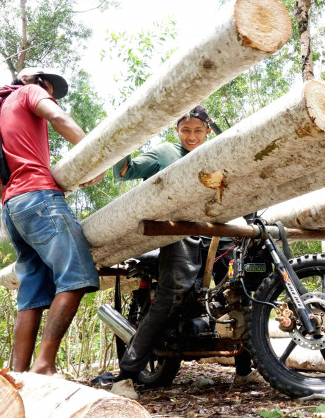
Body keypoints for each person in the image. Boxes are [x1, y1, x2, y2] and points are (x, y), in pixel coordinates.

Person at [107, 105, 263, 392]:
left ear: (206, 131)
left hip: (216, 233)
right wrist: (126, 139)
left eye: (198, 130)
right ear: (177, 130)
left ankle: (244, 370)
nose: (192, 136)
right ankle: (127, 374)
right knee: (171, 295)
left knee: (238, 294)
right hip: (178, 231)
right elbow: (123, 172)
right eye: (186, 130)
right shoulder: (165, 153)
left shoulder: (213, 154)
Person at [0, 67, 104, 375]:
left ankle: (18, 375)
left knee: (31, 291)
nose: (51, 96)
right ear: (34, 80)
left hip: (13, 207)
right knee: (77, 274)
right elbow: (58, 118)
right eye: (50, 89)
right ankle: (44, 365)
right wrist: (93, 159)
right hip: (38, 197)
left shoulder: (2, 108)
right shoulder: (29, 91)